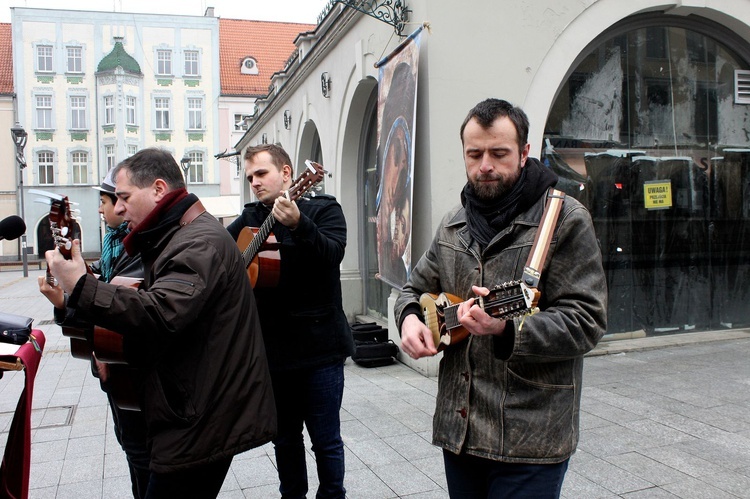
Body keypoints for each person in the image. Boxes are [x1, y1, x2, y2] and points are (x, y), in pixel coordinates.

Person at [395, 98, 607, 498]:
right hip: (460, 430)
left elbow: (587, 320)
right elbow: (413, 289)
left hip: (531, 437)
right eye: (474, 154)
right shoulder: (453, 223)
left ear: (525, 153)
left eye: (499, 153)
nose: (485, 165)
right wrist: (408, 318)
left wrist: (506, 330)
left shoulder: (565, 219)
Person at [45, 147, 276, 498]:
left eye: (124, 197)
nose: (118, 207)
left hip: (199, 416)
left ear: (157, 189)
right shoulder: (175, 236)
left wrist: (81, 285)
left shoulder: (198, 241)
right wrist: (71, 299)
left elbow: (158, 313)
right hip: (188, 409)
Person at [227, 143, 354, 499]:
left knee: (326, 440)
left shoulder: (324, 209)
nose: (254, 182)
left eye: (261, 173)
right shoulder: (249, 217)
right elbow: (224, 258)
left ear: (287, 175)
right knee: (284, 440)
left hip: (320, 350)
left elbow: (333, 254)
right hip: (272, 353)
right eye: (250, 176)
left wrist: (300, 224)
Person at [38, 168, 150, 497]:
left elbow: (120, 308)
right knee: (133, 450)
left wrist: (73, 297)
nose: (101, 210)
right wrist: (64, 300)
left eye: (106, 201)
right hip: (115, 365)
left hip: (133, 368)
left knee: (142, 454)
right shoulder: (113, 244)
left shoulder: (138, 247)